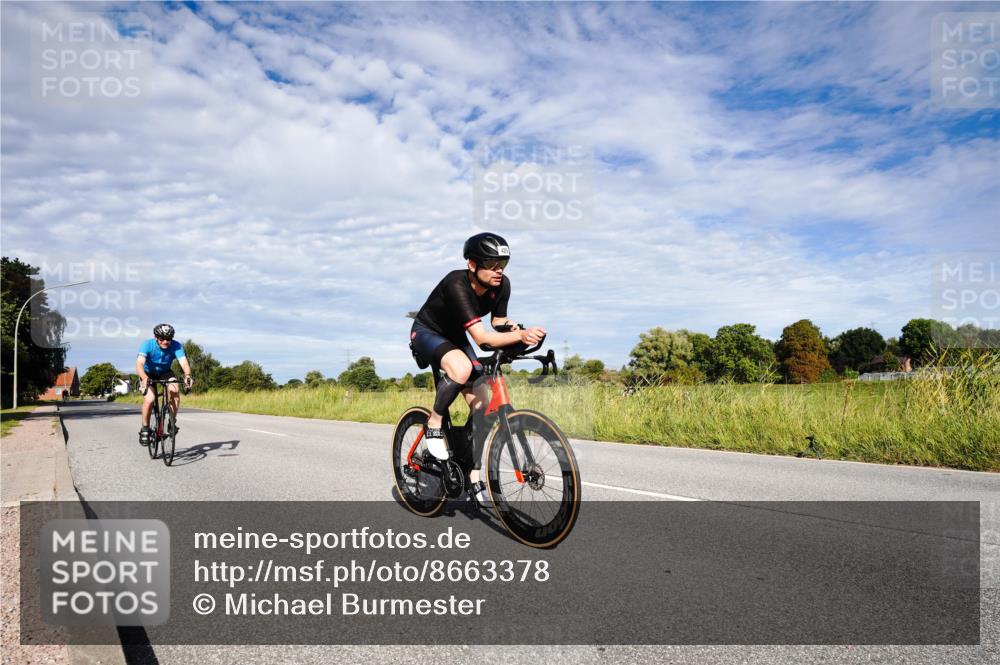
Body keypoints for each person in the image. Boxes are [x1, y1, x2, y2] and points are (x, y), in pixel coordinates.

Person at [409, 232, 546, 502]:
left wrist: (518, 329)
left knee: (483, 404)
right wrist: (518, 337)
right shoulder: (456, 283)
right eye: (492, 265)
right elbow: (482, 339)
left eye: (503, 265)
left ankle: (471, 473)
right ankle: (434, 423)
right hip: (428, 332)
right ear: (472, 265)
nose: (499, 271)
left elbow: (498, 322)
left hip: (457, 337)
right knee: (460, 369)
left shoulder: (501, 285)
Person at [136, 323, 193, 445]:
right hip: (147, 373)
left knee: (175, 390)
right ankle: (145, 428)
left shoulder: (177, 346)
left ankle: (172, 423)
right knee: (150, 399)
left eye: (169, 339)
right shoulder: (147, 345)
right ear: (156, 337)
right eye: (162, 339)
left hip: (165, 372)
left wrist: (187, 376)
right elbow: (139, 364)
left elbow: (184, 363)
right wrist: (144, 378)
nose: (165, 342)